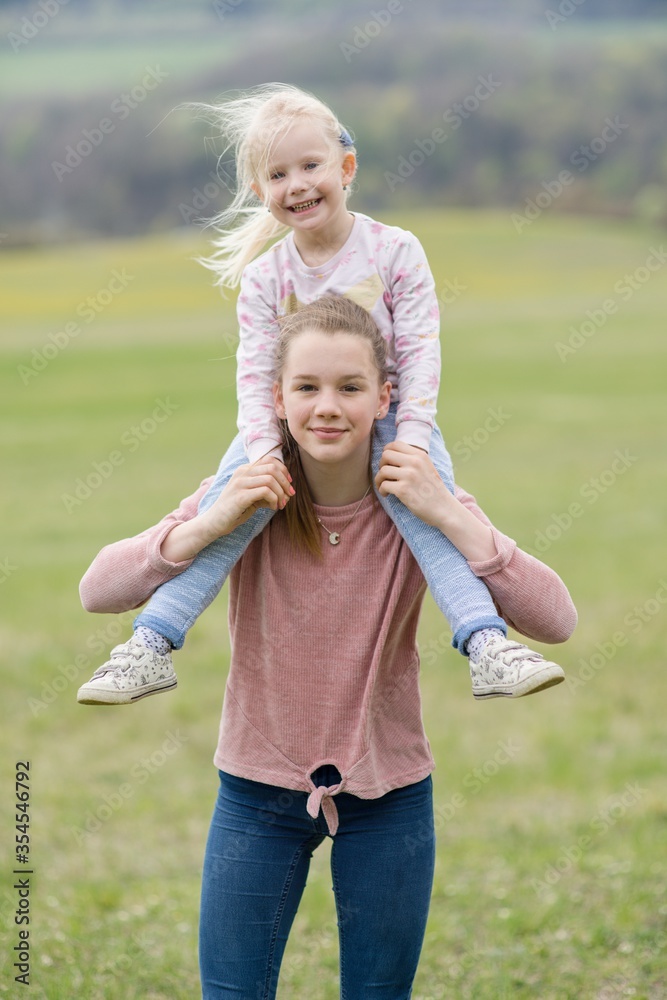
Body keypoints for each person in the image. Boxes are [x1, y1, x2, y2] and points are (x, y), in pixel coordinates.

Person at [79, 296, 577, 997]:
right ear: (276, 399)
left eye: (350, 387)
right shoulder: (246, 493)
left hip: (390, 793)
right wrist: (207, 523)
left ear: (385, 399)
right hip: (254, 791)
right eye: (307, 387)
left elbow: (556, 620)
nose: (327, 407)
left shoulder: (420, 499)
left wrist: (450, 514)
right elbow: (97, 590)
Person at [77, 82, 566, 707]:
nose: (297, 184)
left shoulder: (394, 251)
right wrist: (262, 456)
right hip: (279, 429)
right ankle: (149, 643)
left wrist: (414, 443)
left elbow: (421, 353)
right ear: (260, 190)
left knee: (433, 522)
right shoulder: (265, 277)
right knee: (226, 516)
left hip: (392, 421)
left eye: (311, 165)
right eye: (278, 174)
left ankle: (486, 643)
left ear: (346, 166)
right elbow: (255, 377)